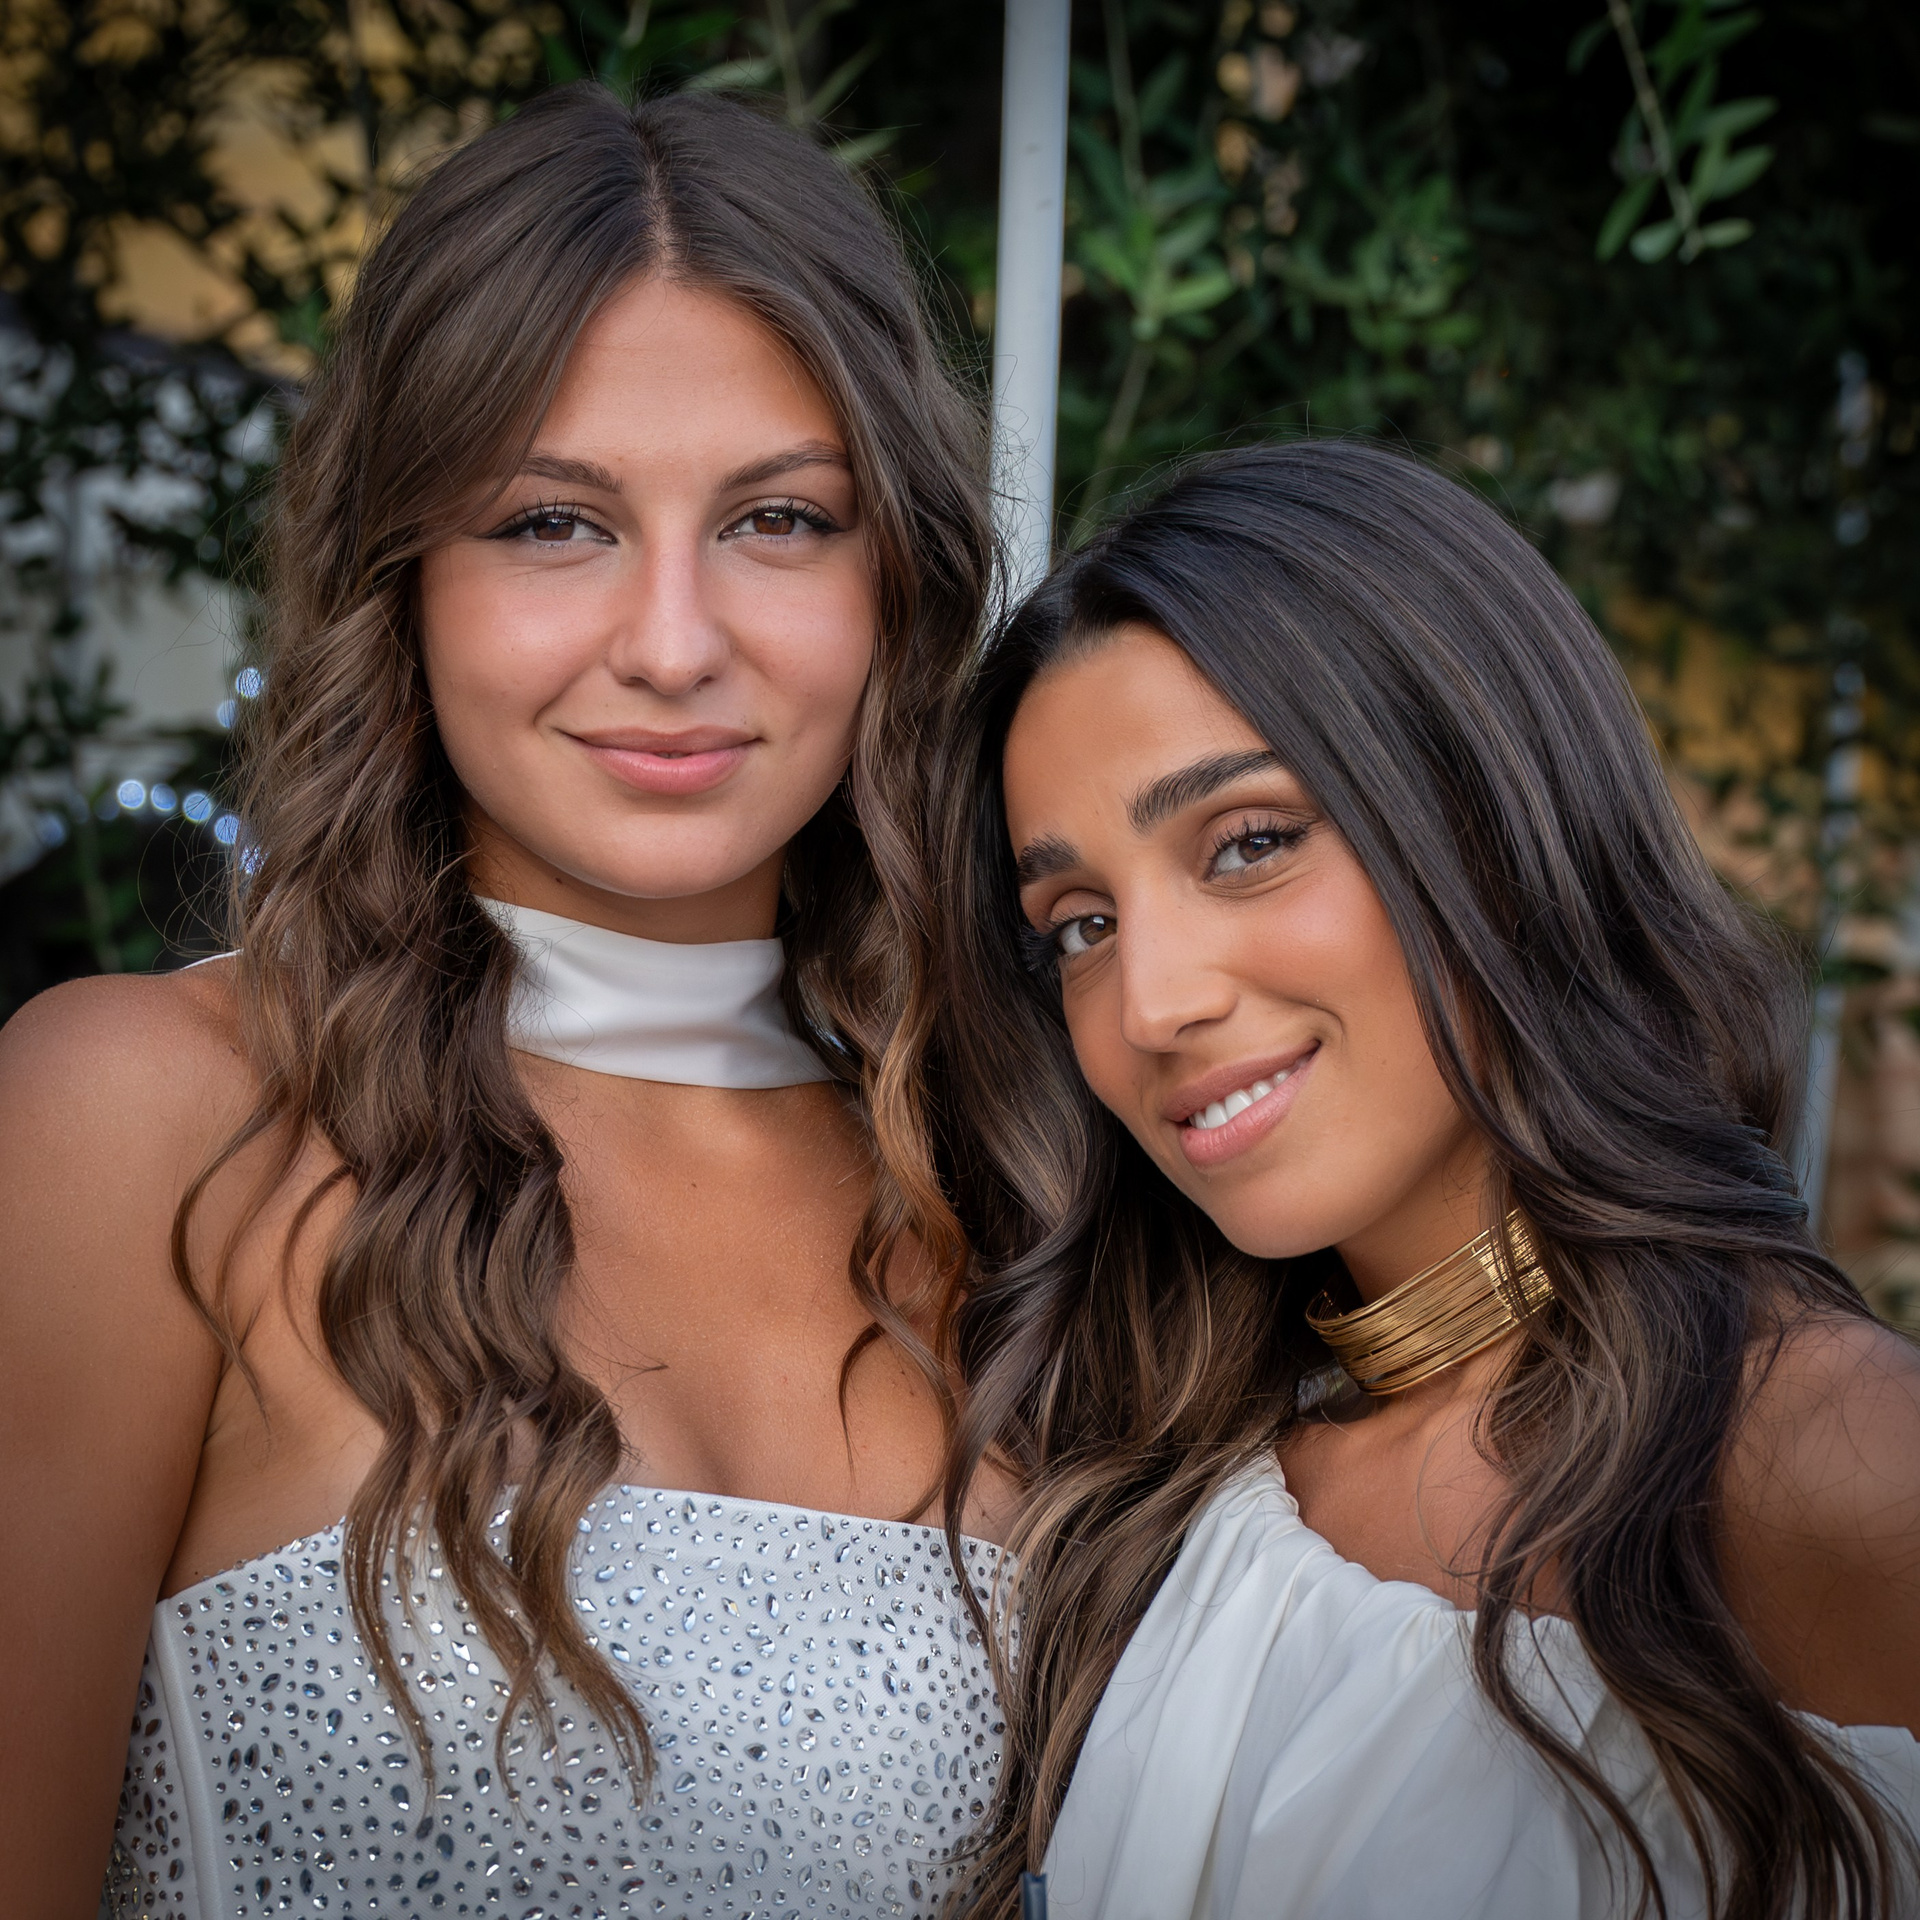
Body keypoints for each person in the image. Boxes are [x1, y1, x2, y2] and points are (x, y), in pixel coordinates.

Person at [0, 84, 1009, 1918]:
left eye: (781, 518)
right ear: (402, 581)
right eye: (554, 523)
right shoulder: (140, 1121)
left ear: (899, 583)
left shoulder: (1008, 1189)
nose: (675, 643)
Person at [931, 440, 1920, 1919]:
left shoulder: (1830, 1464)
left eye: (1249, 844)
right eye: (1078, 924)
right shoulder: (1171, 1482)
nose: (1151, 1004)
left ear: (1498, 824)